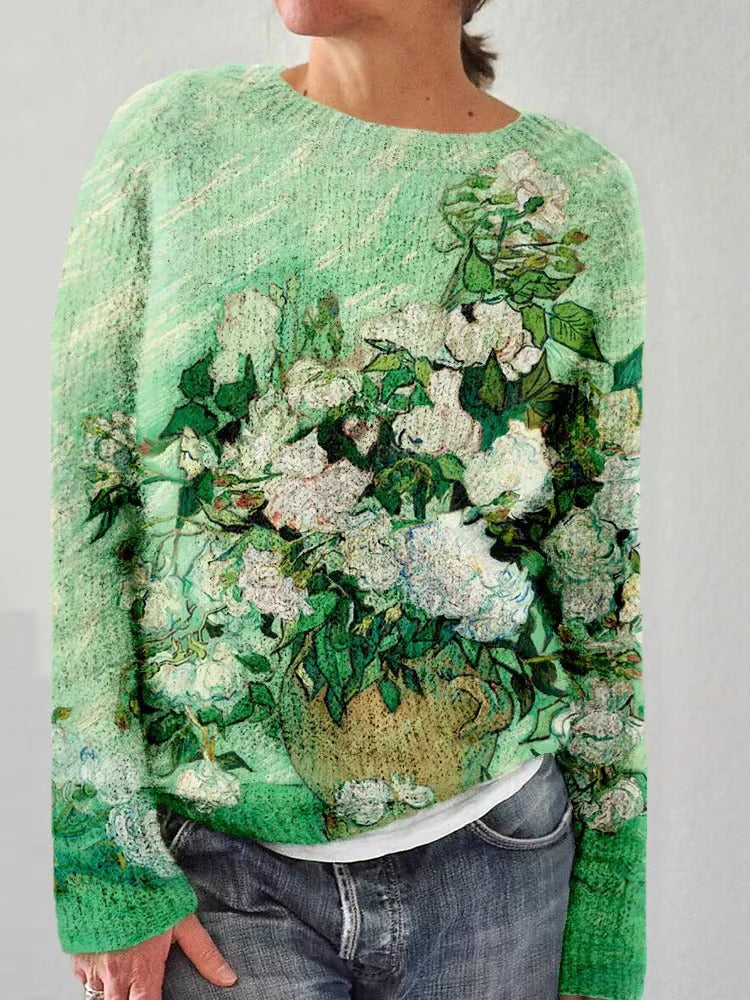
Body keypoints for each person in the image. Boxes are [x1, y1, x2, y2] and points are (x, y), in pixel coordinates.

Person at [49, 1, 647, 998]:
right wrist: (104, 865)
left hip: (501, 859)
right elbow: (83, 508)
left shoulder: (569, 193)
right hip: (222, 873)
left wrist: (611, 921)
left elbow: (600, 558)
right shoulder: (174, 141)